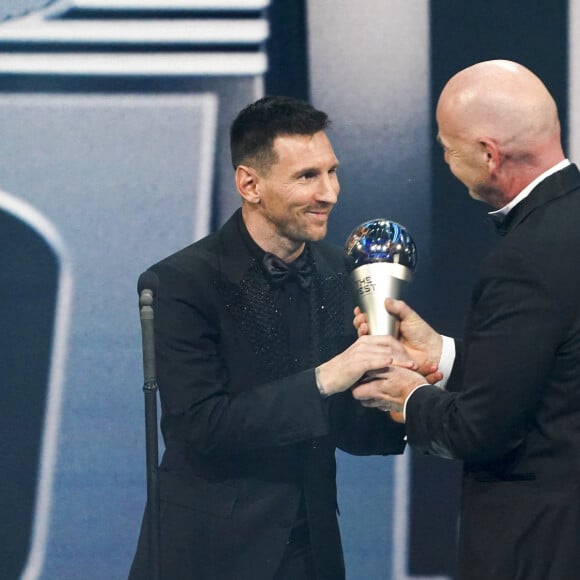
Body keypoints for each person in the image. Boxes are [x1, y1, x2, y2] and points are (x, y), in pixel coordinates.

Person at [129, 96, 420, 580]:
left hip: (312, 552)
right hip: (210, 555)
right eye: (308, 176)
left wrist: (396, 393)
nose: (330, 193)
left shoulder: (336, 272)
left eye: (332, 172)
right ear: (250, 184)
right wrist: (327, 377)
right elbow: (202, 427)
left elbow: (350, 431)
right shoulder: (180, 283)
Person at [352, 59, 580, 580]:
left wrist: (406, 397)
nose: (447, 162)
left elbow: (484, 431)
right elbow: (557, 376)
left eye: (448, 148)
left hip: (539, 548)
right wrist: (445, 356)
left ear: (488, 154)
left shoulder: (524, 258)